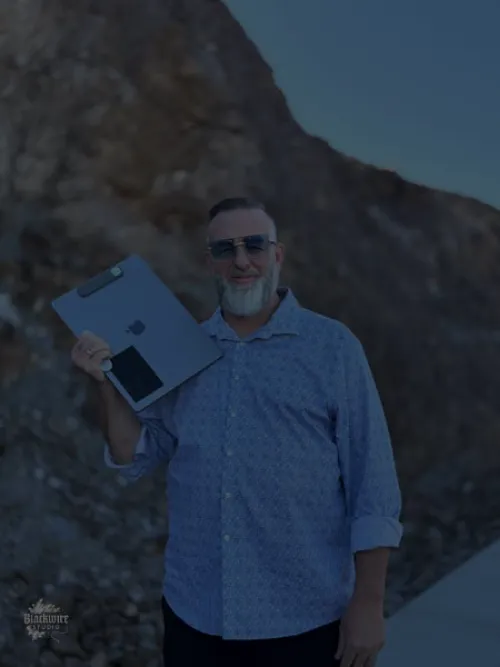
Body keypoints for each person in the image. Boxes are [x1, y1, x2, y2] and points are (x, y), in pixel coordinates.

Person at [71, 197, 403, 667]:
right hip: (196, 616)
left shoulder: (333, 347)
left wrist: (369, 604)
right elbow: (133, 456)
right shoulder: (181, 350)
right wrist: (106, 384)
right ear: (210, 262)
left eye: (254, 245)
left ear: (277, 254)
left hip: (306, 621)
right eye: (225, 249)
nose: (241, 260)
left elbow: (373, 482)